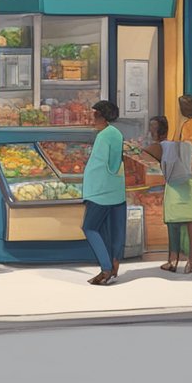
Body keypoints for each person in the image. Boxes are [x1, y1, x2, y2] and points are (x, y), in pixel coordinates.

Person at [143, 115, 192, 274]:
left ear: (154, 131)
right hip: (188, 187)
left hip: (173, 188)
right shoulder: (187, 146)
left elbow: (142, 156)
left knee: (173, 227)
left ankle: (172, 262)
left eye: (152, 129)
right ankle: (190, 264)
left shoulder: (157, 147)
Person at [81, 100, 127, 285]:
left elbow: (100, 165)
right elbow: (115, 164)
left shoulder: (103, 136)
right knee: (114, 231)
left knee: (90, 227)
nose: (92, 119)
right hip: (116, 190)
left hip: (100, 191)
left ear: (101, 115)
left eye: (94, 115)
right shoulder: (116, 134)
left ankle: (106, 268)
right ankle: (114, 263)